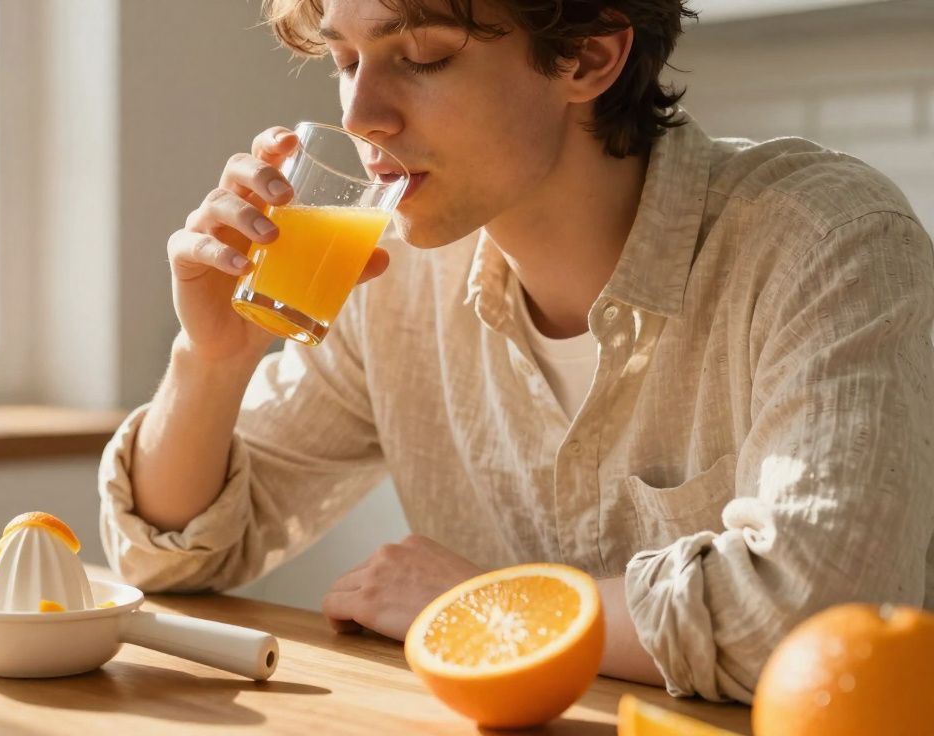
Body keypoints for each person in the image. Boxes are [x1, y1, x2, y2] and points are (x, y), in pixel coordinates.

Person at [96, 0, 934, 703]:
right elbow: (173, 555)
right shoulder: (390, 274)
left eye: (420, 56)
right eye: (345, 60)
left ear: (587, 56)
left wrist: (492, 605)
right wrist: (212, 361)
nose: (358, 116)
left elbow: (821, 617)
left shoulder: (825, 239)